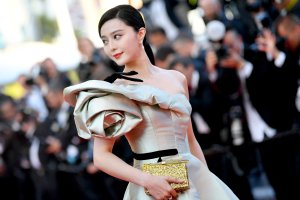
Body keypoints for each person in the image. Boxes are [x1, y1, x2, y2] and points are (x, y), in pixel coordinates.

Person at [63, 4, 239, 200]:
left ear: (140, 34)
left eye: (117, 36)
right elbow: (101, 156)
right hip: (152, 188)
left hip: (194, 178)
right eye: (105, 41)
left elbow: (190, 140)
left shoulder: (177, 78)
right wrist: (147, 180)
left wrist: (207, 183)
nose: (111, 46)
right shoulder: (114, 90)